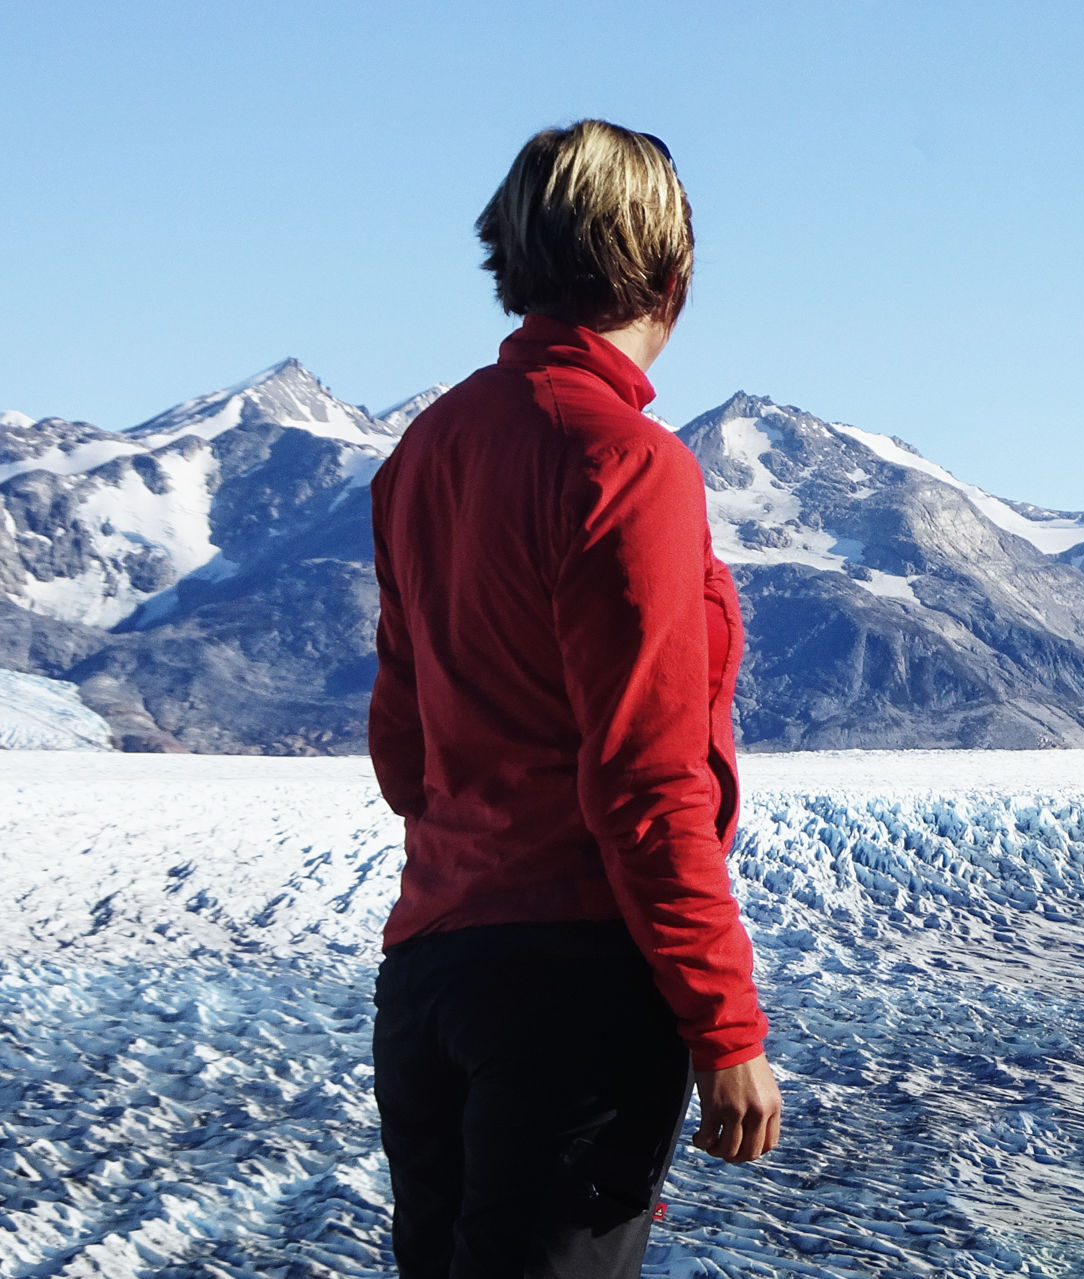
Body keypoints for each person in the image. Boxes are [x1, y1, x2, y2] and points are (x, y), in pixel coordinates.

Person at [367, 119, 781, 1276]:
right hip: (573, 1000)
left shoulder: (425, 455)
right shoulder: (628, 466)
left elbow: (404, 752)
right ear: (672, 270)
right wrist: (725, 1025)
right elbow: (648, 783)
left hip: (431, 990)